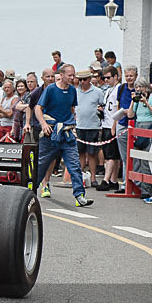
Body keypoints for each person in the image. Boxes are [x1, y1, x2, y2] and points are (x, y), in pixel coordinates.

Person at [35, 64, 93, 207]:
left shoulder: (73, 90)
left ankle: (79, 196)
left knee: (74, 165)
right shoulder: (50, 89)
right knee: (42, 164)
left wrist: (72, 123)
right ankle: (30, 190)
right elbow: (38, 108)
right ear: (61, 75)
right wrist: (43, 124)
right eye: (70, 75)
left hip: (67, 133)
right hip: (50, 133)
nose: (73, 78)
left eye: (74, 75)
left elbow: (72, 108)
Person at [74, 69, 103, 188]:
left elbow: (102, 106)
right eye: (80, 80)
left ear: (89, 79)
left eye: (84, 79)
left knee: (92, 153)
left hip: (93, 126)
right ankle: (80, 177)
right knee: (80, 153)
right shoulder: (76, 91)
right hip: (80, 125)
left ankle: (93, 177)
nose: (82, 82)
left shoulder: (98, 92)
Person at [126, 77, 152, 201]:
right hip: (138, 127)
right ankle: (139, 186)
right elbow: (130, 115)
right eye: (136, 87)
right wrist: (133, 101)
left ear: (146, 87)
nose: (138, 89)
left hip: (149, 127)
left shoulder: (151, 97)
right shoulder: (137, 99)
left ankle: (147, 189)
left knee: (147, 161)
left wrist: (146, 102)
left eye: (140, 87)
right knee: (137, 159)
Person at [96, 66, 122, 191]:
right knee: (112, 155)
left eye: (108, 77)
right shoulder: (108, 90)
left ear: (115, 77)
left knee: (111, 155)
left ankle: (106, 179)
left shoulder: (118, 89)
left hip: (112, 124)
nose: (106, 80)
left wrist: (114, 125)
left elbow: (118, 108)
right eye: (104, 78)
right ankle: (113, 180)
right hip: (105, 123)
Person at [114, 66, 138, 193]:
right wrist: (115, 124)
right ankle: (125, 184)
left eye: (131, 76)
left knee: (135, 156)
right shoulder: (121, 88)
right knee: (124, 157)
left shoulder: (139, 90)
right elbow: (118, 105)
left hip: (134, 125)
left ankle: (135, 183)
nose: (129, 78)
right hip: (122, 124)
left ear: (136, 76)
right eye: (127, 76)